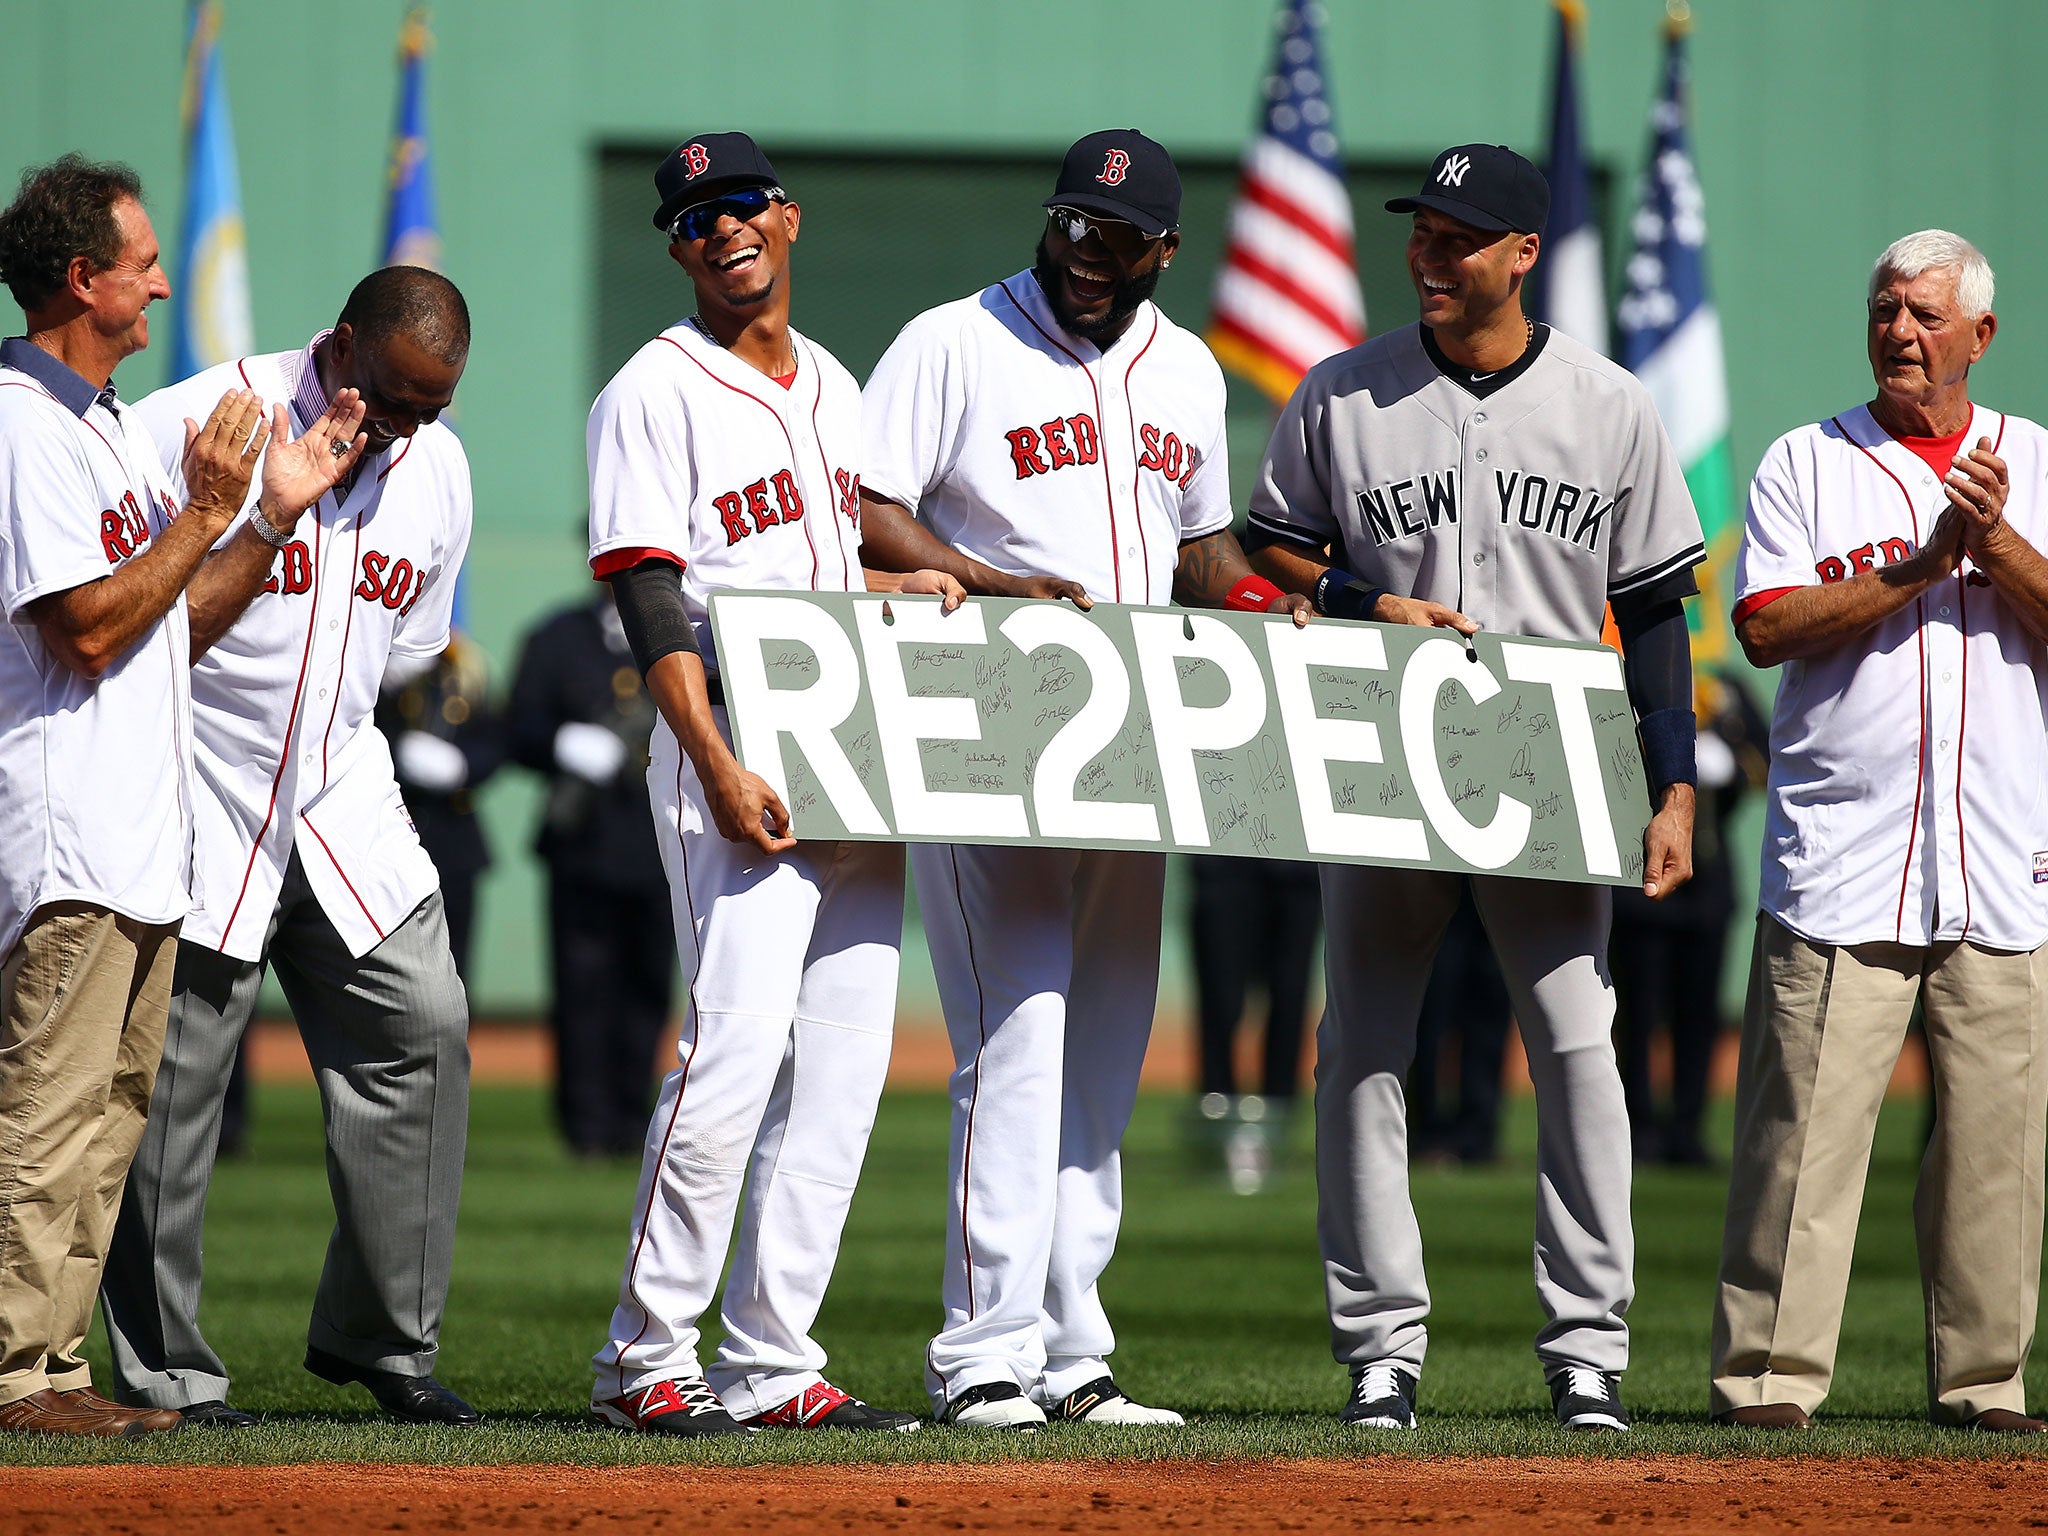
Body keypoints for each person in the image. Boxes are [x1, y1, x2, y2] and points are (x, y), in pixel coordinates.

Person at [1245, 143, 1705, 1434]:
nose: (1428, 255)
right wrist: (1355, 596)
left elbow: (1655, 614)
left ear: (1521, 253)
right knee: (1364, 1054)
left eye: (1457, 237)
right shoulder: (1343, 391)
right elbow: (1266, 548)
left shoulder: (1610, 402)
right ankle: (1381, 1347)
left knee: (1574, 1052)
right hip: (1383, 754)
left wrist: (1670, 789)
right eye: (1421, 232)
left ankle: (1587, 1349)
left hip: (1553, 761)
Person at [860, 128, 1313, 1429]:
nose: (1085, 254)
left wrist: (1272, 600)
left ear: (1166, 251)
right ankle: (982, 1353)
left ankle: (1071, 1351)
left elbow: (1205, 548)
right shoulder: (955, 340)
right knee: (1018, 1041)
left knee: (1106, 1056)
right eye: (1071, 226)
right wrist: (996, 580)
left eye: (1116, 239)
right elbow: (870, 504)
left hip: (1137, 747)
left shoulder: (1183, 371)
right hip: (989, 732)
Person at [586, 131, 960, 1438]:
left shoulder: (837, 387)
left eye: (741, 204)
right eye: (695, 219)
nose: (723, 230)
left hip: (855, 755)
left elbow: (808, 577)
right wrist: (718, 765)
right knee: (733, 1051)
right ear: (677, 248)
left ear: (787, 218)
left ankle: (770, 1358)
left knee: (846, 1065)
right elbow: (652, 598)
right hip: (734, 746)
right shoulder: (653, 388)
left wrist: (890, 581)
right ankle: (646, 1355)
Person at [0, 154, 365, 1437]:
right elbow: (89, 633)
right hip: (69, 839)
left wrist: (260, 521)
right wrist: (202, 507)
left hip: (145, 846)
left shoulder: (100, 421)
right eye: (140, 262)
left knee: (107, 1125)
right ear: (79, 278)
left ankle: (51, 1371)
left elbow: (170, 628)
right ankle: (12, 1376)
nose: (160, 280)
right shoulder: (20, 422)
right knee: (45, 1120)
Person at [100, 266, 480, 1429]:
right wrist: (263, 514)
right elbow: (134, 617)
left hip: (340, 791)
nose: (412, 423)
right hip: (200, 787)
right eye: (398, 393)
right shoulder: (202, 419)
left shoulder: (439, 472)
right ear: (344, 342)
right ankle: (169, 1371)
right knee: (169, 1096)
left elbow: (407, 651)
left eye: (436, 404)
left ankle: (383, 1341)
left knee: (424, 1027)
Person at [1713, 230, 2048, 1434]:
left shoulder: (2035, 462)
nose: (1898, 331)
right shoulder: (1807, 461)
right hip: (1842, 854)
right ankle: (1766, 1378)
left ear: (1978, 335)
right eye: (1882, 309)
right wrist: (1919, 568)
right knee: (1799, 1142)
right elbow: (1762, 626)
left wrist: (1994, 546)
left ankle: (1982, 1383)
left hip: (2002, 858)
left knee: (1994, 1157)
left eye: (1921, 313)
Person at [505, 587, 674, 1157]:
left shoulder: (689, 634)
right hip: (583, 847)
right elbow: (517, 729)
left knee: (649, 988)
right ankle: (585, 1129)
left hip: (661, 847)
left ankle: (632, 1121)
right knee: (582, 989)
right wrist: (559, 742)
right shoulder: (557, 639)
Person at [1609, 668, 1767, 1167]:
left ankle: (1687, 1129)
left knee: (1698, 1015)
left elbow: (1766, 760)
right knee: (1637, 1014)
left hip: (1710, 881)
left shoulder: (1728, 690)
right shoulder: (1627, 677)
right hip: (1642, 878)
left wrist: (1728, 760)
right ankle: (1636, 1130)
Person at [1187, 853, 1321, 1194]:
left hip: (1298, 864)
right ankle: (1219, 1124)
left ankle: (1278, 1130)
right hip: (1225, 857)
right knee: (1221, 1000)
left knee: (1290, 997)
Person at [378, 627, 503, 981]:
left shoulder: (461, 668)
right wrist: (382, 689)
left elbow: (495, 738)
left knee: (454, 965)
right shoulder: (380, 670)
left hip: (453, 838)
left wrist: (463, 766)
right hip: (388, 834)